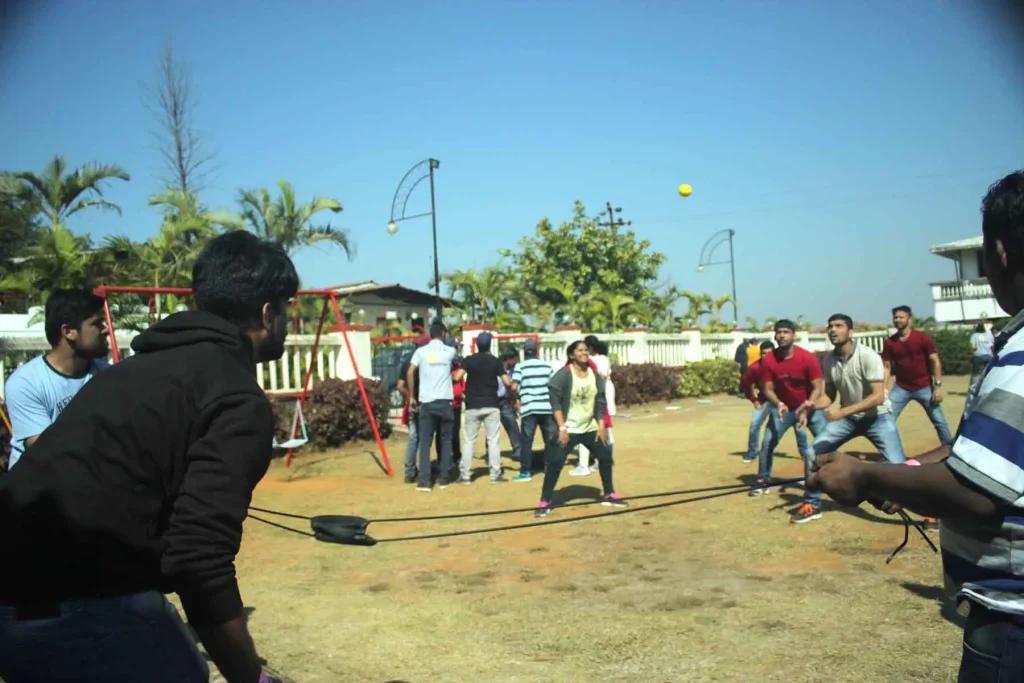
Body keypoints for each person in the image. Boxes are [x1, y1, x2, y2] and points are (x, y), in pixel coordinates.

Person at [0, 230, 294, 683]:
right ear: (267, 313)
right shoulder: (235, 396)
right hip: (80, 602)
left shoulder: (127, 373)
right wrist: (248, 675)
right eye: (287, 309)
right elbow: (198, 558)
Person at [809, 170, 1024, 681]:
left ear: (999, 251)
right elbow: (975, 456)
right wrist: (902, 473)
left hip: (1014, 622)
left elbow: (974, 491)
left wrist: (866, 476)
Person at [4, 289, 111, 469]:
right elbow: (47, 450)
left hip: (89, 478)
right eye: (97, 324)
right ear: (69, 331)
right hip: (37, 486)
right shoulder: (25, 383)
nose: (106, 329)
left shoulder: (108, 376)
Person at [535, 341, 627, 517]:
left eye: (586, 350)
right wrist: (562, 428)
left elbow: (600, 400)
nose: (584, 353)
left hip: (589, 427)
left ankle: (609, 494)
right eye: (580, 351)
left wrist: (601, 426)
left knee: (606, 457)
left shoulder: (594, 374)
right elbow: (555, 403)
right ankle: (545, 501)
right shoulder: (563, 375)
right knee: (555, 464)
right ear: (571, 355)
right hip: (568, 428)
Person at [805, 314, 906, 467]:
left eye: (839, 326)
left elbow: (878, 397)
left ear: (850, 332)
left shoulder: (868, 355)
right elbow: (828, 396)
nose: (833, 330)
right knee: (811, 453)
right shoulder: (828, 360)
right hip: (849, 420)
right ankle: (813, 492)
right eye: (830, 326)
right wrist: (811, 405)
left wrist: (842, 412)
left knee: (898, 465)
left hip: (878, 417)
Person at [751, 319, 827, 524]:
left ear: (794, 335)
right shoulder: (769, 361)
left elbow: (818, 386)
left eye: (786, 332)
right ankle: (762, 480)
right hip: (784, 409)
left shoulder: (807, 358)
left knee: (827, 442)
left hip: (809, 408)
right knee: (767, 443)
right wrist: (779, 404)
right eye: (778, 332)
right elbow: (767, 389)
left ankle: (832, 480)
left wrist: (810, 404)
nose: (782, 336)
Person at [882, 305, 954, 447]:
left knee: (939, 421)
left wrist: (938, 386)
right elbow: (886, 366)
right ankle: (889, 452)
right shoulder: (890, 343)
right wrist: (883, 388)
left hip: (924, 386)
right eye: (895, 317)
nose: (898, 320)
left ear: (909, 318)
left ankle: (950, 450)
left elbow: (935, 361)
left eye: (901, 317)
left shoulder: (921, 338)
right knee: (886, 419)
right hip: (901, 387)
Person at [407, 322, 459, 491]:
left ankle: (424, 480)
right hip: (444, 401)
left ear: (430, 334)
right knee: (445, 440)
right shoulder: (450, 351)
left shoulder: (420, 352)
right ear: (443, 334)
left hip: (426, 401)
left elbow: (410, 371)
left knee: (425, 442)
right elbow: (459, 365)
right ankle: (444, 478)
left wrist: (411, 396)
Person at [459, 332, 514, 484]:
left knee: (469, 440)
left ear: (477, 345)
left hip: (472, 405)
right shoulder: (495, 361)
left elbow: (457, 377)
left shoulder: (469, 360)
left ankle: (465, 476)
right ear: (489, 344)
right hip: (491, 404)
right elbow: (507, 382)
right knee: (493, 440)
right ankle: (495, 475)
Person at [511, 338, 556, 482]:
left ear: (524, 352)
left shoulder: (520, 367)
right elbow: (554, 387)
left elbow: (513, 387)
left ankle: (525, 472)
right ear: (537, 351)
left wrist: (515, 398)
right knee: (549, 441)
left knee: (527, 441)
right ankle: (550, 468)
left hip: (529, 408)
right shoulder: (547, 367)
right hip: (546, 407)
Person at [572, 335, 615, 476]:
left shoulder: (591, 362)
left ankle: (589, 462)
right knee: (606, 425)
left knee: (591, 426)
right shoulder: (604, 358)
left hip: (596, 391)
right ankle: (604, 458)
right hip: (606, 389)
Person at [397, 334, 430, 484]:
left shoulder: (407, 362)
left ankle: (409, 471)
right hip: (426, 402)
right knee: (425, 438)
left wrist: (410, 396)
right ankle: (423, 469)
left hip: (412, 404)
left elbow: (399, 386)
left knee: (413, 437)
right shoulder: (426, 361)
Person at [740, 340, 775, 464]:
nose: (767, 357)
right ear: (761, 354)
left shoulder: (783, 365)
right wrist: (753, 399)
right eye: (764, 354)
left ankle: (804, 452)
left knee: (798, 427)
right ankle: (752, 452)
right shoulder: (755, 368)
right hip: (764, 400)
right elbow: (745, 384)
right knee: (754, 425)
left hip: (783, 400)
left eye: (770, 354)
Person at [436, 341, 465, 469]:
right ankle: (442, 457)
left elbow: (462, 385)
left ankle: (456, 456)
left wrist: (463, 394)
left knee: (455, 431)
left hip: (456, 405)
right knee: (442, 432)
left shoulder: (458, 368)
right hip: (444, 404)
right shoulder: (440, 367)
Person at [497, 345, 523, 464]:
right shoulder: (497, 368)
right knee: (492, 428)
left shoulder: (515, 370)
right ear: (508, 358)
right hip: (493, 400)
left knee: (512, 425)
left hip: (506, 400)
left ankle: (518, 450)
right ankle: (490, 452)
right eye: (515, 359)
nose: (516, 361)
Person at [968, 323, 995, 392]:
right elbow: (992, 344)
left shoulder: (975, 335)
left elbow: (973, 346)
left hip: (978, 356)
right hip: (989, 355)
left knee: (975, 373)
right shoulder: (989, 335)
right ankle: (987, 388)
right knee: (987, 373)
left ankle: (973, 388)